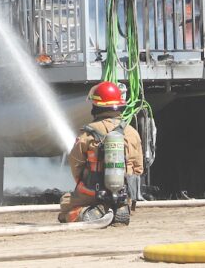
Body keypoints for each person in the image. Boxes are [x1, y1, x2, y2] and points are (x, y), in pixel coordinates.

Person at [58, 81, 144, 225]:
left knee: (65, 205)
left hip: (93, 193)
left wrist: (85, 183)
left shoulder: (88, 133)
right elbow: (138, 168)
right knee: (122, 198)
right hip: (125, 194)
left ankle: (94, 211)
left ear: (96, 106)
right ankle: (121, 208)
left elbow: (75, 164)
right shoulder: (132, 132)